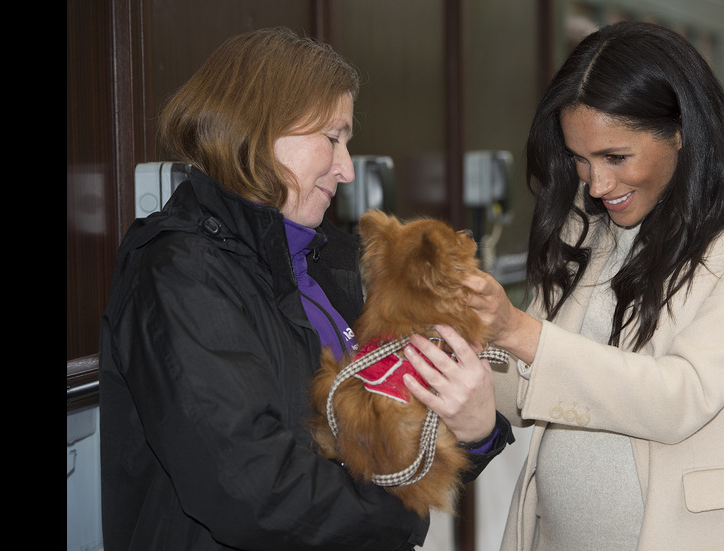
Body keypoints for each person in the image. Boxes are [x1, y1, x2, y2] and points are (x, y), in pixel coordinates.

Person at [98, 27, 511, 551]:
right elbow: (251, 490)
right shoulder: (178, 271)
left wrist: (476, 431)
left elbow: (387, 444)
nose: (344, 168)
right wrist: (402, 516)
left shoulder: (325, 261)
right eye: (333, 138)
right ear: (260, 127)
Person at [463, 21, 724, 551]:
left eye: (617, 157)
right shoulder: (588, 214)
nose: (597, 184)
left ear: (681, 129)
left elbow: (682, 396)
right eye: (579, 158)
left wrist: (518, 331)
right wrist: (461, 351)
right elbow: (527, 389)